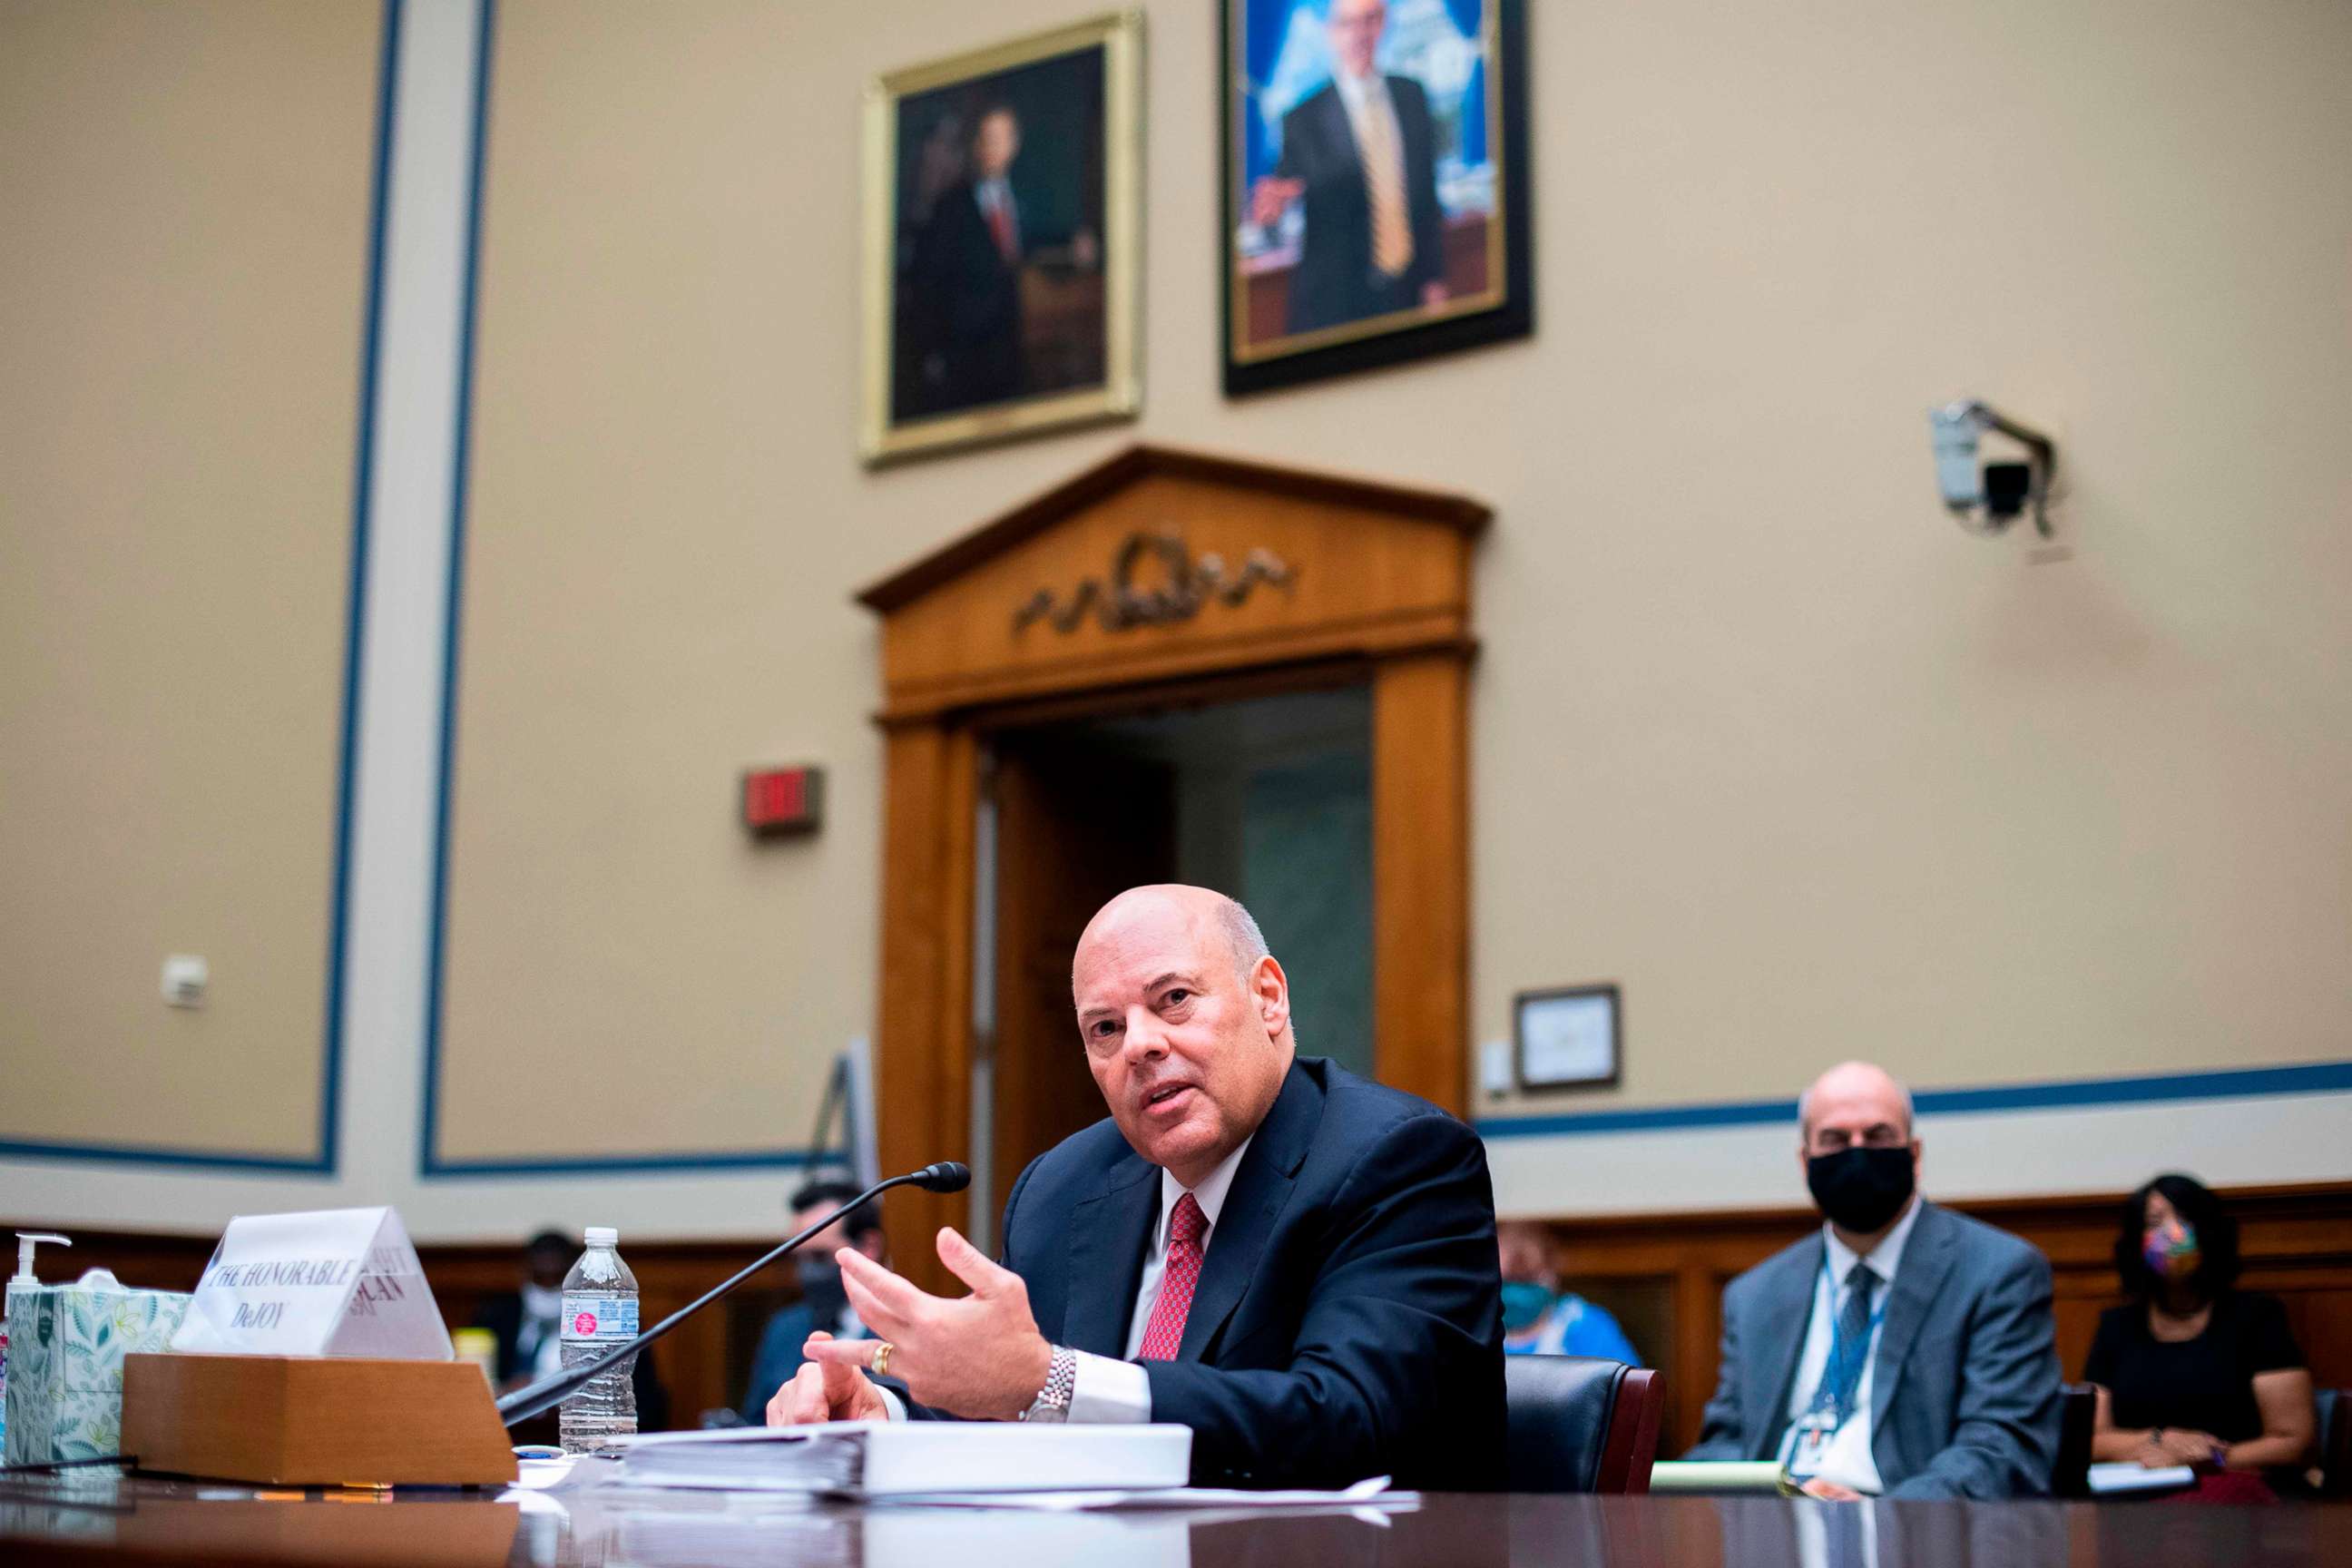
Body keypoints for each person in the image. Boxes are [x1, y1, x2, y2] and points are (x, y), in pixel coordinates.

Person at [765, 884, 1505, 1490]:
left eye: (1175, 998)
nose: (1142, 1045)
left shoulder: (1396, 1158)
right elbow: (1014, 1411)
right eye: (1106, 1028)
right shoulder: (1062, 1189)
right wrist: (881, 1420)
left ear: (1269, 999)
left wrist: (1049, 1378)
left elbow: (1352, 1424)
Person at [1683, 1062, 2061, 1499]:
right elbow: (1727, 1445)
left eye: (1878, 1136)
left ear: (1915, 1155)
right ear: (1806, 1161)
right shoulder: (1756, 1295)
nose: (1857, 1153)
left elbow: (2001, 1450)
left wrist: (1879, 1520)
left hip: (1907, 1532)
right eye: (1835, 1140)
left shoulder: (1998, 1272)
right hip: (1770, 1529)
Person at [2083, 1173, 2315, 1500]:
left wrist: (2209, 1458)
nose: (2172, 1233)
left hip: (2238, 1489)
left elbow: (2293, 1441)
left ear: (2210, 1231)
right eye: (2154, 1222)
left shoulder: (2257, 1316)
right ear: (2136, 1239)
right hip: (2139, 1486)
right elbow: (2092, 1438)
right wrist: (2160, 1442)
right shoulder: (2116, 1325)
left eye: (2185, 1219)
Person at [1249, 0, 1447, 336]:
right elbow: (1276, 211)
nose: (1359, 34)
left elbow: (1426, 198)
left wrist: (1434, 279)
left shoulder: (1411, 96)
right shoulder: (1302, 119)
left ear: (1384, 23)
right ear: (1331, 32)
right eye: (1347, 24)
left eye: (1370, 20)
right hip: (1337, 307)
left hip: (1408, 294)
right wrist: (1270, 213)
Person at [473, 1228, 670, 1431]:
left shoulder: (610, 1319)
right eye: (540, 1280)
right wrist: (506, 1392)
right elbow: (472, 1391)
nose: (547, 1291)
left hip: (582, 1431)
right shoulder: (494, 1315)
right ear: (523, 1271)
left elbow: (648, 1403)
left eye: (557, 1279)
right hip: (511, 1433)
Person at [736, 1181, 890, 1425]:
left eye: (819, 1256)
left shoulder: (905, 1329)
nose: (806, 1272)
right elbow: (755, 1422)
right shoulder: (784, 1328)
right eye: (798, 1258)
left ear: (869, 1246)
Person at [908, 104, 1029, 412]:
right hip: (965, 356)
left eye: (1001, 139)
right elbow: (930, 284)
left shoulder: (1021, 198)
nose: (992, 148)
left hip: (1010, 352)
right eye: (987, 139)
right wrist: (934, 352)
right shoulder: (951, 208)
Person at [1496, 1220, 1641, 1363]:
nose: (1518, 1291)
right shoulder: (1476, 1332)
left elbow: (1626, 1382)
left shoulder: (1585, 1325)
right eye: (1509, 1280)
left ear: (1552, 1275)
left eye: (1527, 1279)